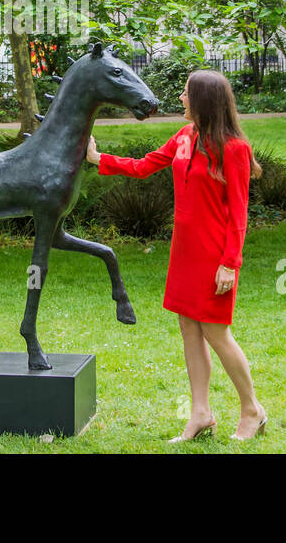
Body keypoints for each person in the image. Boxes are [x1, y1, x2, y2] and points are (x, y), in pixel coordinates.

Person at [87, 70, 268, 442]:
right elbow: (144, 165)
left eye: (186, 93)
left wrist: (229, 263)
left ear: (203, 100)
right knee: (188, 327)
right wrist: (97, 158)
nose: (181, 99)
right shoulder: (184, 137)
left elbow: (238, 213)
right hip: (184, 252)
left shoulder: (234, 149)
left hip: (215, 253)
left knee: (216, 333)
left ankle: (252, 410)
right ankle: (200, 414)